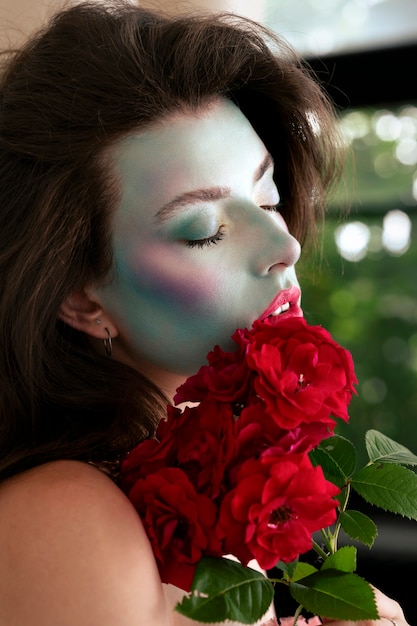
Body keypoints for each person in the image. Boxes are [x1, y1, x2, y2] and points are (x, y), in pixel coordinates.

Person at [0, 2, 409, 625]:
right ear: (81, 299)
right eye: (205, 231)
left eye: (268, 198)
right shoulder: (68, 518)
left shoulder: (209, 501)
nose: (286, 245)